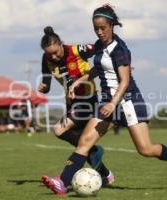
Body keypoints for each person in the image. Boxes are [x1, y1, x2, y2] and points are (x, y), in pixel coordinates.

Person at [46, 5, 167, 195]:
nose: (99, 32)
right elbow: (97, 69)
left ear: (112, 25)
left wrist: (112, 103)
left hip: (128, 101)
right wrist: (79, 82)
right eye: (96, 29)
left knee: (145, 149)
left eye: (103, 28)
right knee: (85, 141)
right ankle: (62, 182)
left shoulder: (120, 49)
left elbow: (124, 81)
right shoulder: (99, 46)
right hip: (108, 103)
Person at [38, 26, 114, 188]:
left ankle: (64, 181)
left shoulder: (77, 50)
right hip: (72, 103)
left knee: (60, 130)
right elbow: (47, 82)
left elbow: (103, 48)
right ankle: (105, 174)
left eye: (55, 52)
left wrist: (118, 64)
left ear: (60, 44)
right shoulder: (46, 60)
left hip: (88, 99)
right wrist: (44, 87)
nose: (53, 56)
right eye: (49, 53)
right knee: (82, 144)